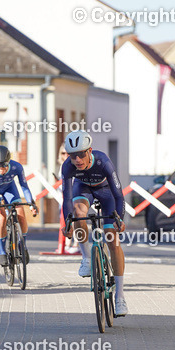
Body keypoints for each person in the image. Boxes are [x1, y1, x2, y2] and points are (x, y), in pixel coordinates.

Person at [61, 130, 129, 317]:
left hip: (107, 193)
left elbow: (118, 195)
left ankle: (120, 297)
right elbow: (66, 198)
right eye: (72, 155)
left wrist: (119, 219)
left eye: (81, 154)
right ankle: (86, 258)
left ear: (89, 151)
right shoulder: (68, 167)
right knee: (78, 213)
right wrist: (68, 224)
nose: (77, 160)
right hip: (83, 189)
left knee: (111, 238)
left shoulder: (102, 161)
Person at [0, 145, 39, 265]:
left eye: (5, 166)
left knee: (21, 213)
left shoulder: (17, 167)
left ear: (9, 162)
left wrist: (31, 204)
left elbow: (24, 187)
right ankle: (2, 252)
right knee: (1, 218)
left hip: (9, 189)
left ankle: (22, 246)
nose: (2, 169)